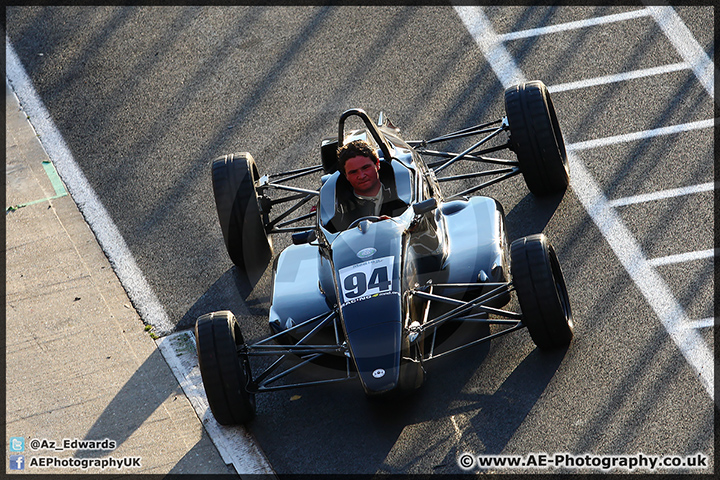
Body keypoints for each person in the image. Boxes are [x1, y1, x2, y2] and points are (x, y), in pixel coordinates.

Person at [333, 140, 405, 230]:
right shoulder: (341, 213)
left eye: (365, 168)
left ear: (377, 165)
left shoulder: (402, 197)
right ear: (346, 176)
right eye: (353, 172)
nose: (361, 176)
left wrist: (399, 226)